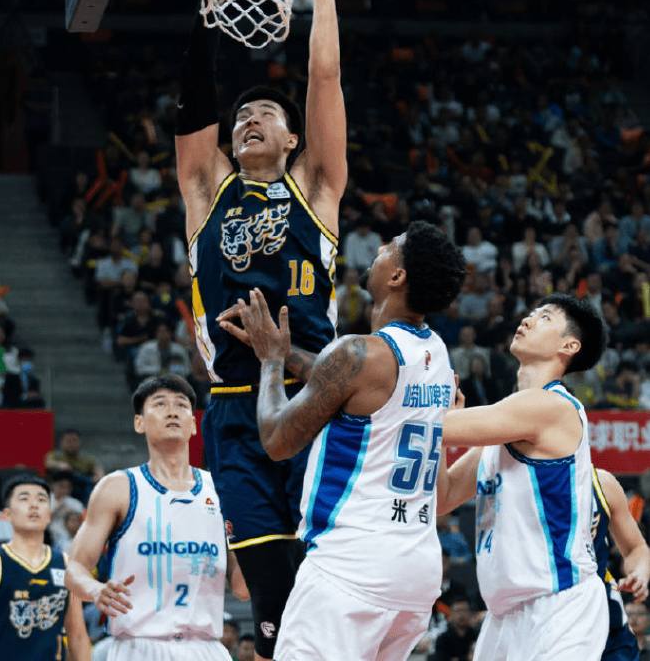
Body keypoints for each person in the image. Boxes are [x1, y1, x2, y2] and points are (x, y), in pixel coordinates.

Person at [176, 0, 347, 660]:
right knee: (272, 601)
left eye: (266, 116)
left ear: (291, 141)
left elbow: (325, 79)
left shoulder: (316, 188)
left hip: (312, 394)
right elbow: (192, 104)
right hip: (234, 408)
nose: (249, 119)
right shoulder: (206, 191)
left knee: (324, 579)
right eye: (241, 116)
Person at [220, 220, 466, 661]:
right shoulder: (438, 355)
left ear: (397, 276)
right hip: (416, 572)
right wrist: (285, 352)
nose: (380, 247)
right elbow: (349, 383)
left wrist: (272, 361)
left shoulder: (359, 354)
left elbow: (276, 440)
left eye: (391, 246)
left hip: (352, 567)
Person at [438, 293, 609, 661]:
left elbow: (435, 427)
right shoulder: (506, 424)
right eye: (530, 313)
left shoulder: (550, 405)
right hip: (504, 615)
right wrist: (438, 429)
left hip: (558, 604)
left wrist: (409, 389)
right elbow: (443, 497)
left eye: (545, 317)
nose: (528, 319)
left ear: (569, 345)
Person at [64, 374, 249, 660]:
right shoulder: (117, 488)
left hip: (206, 648)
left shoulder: (222, 490)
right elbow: (75, 569)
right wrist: (95, 589)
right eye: (160, 404)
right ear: (139, 423)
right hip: (139, 645)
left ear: (194, 425)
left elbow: (241, 588)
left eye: (181, 405)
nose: (172, 411)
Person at [0, 473, 91, 660]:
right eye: (24, 499)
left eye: (41, 500)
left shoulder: (66, 564)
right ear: (7, 514)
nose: (34, 505)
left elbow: (78, 637)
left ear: (49, 515)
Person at [592, 465, 650, 661]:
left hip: (599, 608)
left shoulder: (601, 483)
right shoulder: (510, 481)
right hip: (529, 609)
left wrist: (639, 573)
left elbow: (636, 549)